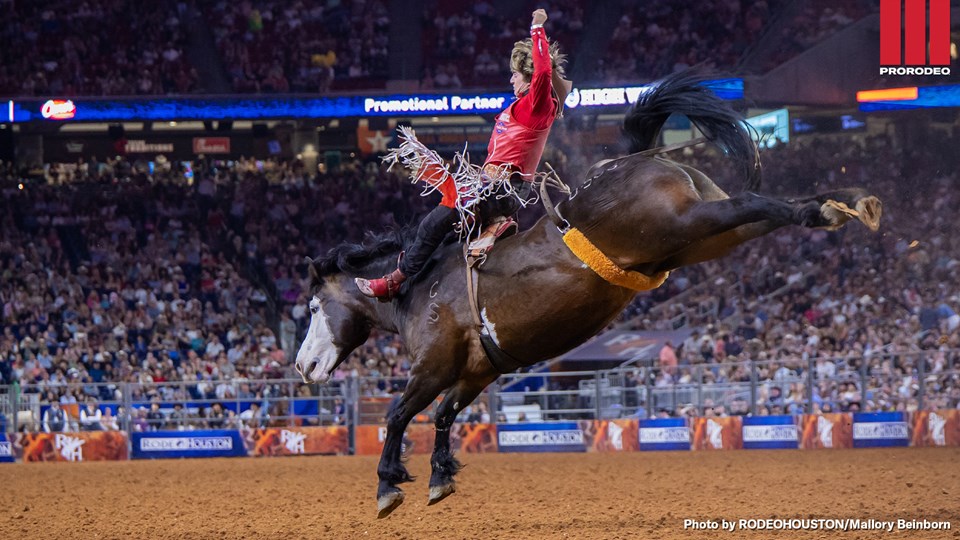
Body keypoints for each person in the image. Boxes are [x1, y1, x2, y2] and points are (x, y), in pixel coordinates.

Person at [356, 8, 570, 300]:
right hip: (493, 185)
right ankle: (488, 230)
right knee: (444, 231)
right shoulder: (523, 107)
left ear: (528, 76)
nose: (510, 80)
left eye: (514, 74)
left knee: (432, 224)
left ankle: (394, 282)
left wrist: (537, 28)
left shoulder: (537, 105)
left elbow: (544, 71)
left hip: (501, 190)